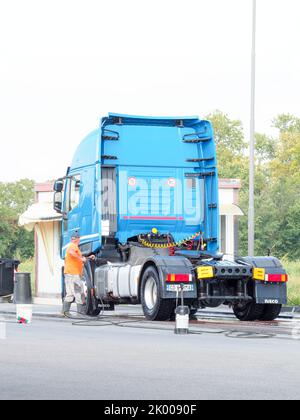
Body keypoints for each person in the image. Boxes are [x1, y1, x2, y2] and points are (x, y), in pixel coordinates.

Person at [62, 232, 94, 316]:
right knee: (75, 293)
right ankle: (70, 312)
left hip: (73, 274)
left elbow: (77, 257)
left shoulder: (74, 246)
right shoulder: (72, 246)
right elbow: (72, 253)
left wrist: (87, 257)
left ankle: (69, 312)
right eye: (79, 239)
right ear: (77, 239)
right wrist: (81, 258)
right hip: (72, 275)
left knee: (77, 293)